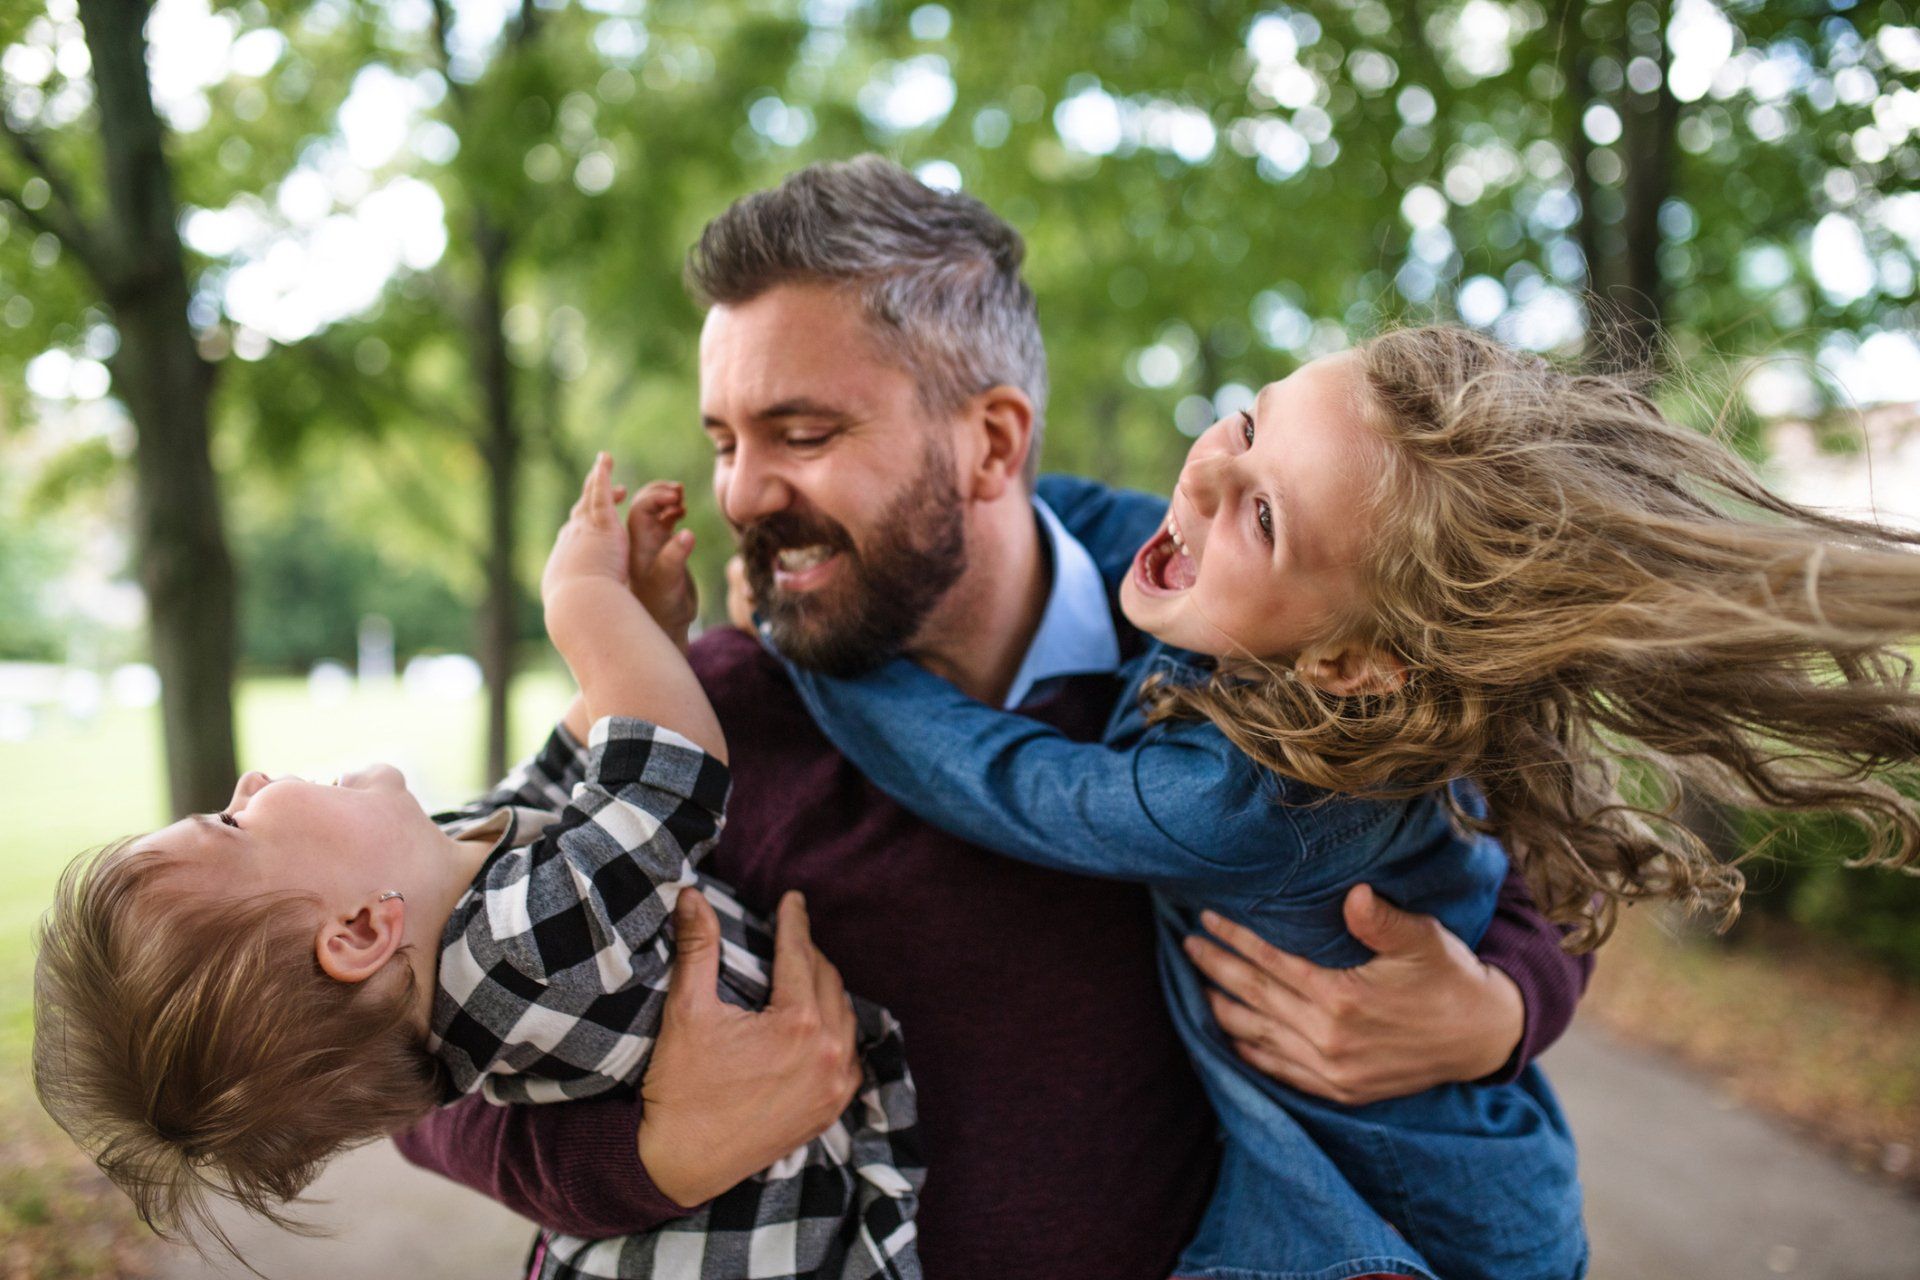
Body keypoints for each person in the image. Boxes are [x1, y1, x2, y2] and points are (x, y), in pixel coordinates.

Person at [396, 158, 1598, 1280]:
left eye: (803, 434)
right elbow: (403, 1064)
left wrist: (1499, 1009)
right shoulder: (700, 716)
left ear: (993, 440)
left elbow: (1533, 817)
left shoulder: (1258, 638)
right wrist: (655, 1151)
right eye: (725, 440)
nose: (743, 494)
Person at [32, 458, 924, 1280]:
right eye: (233, 822)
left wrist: (646, 631)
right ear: (356, 932)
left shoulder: (442, 896)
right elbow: (667, 780)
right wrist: (583, 605)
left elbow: (564, 777)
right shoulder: (509, 956)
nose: (251, 779)